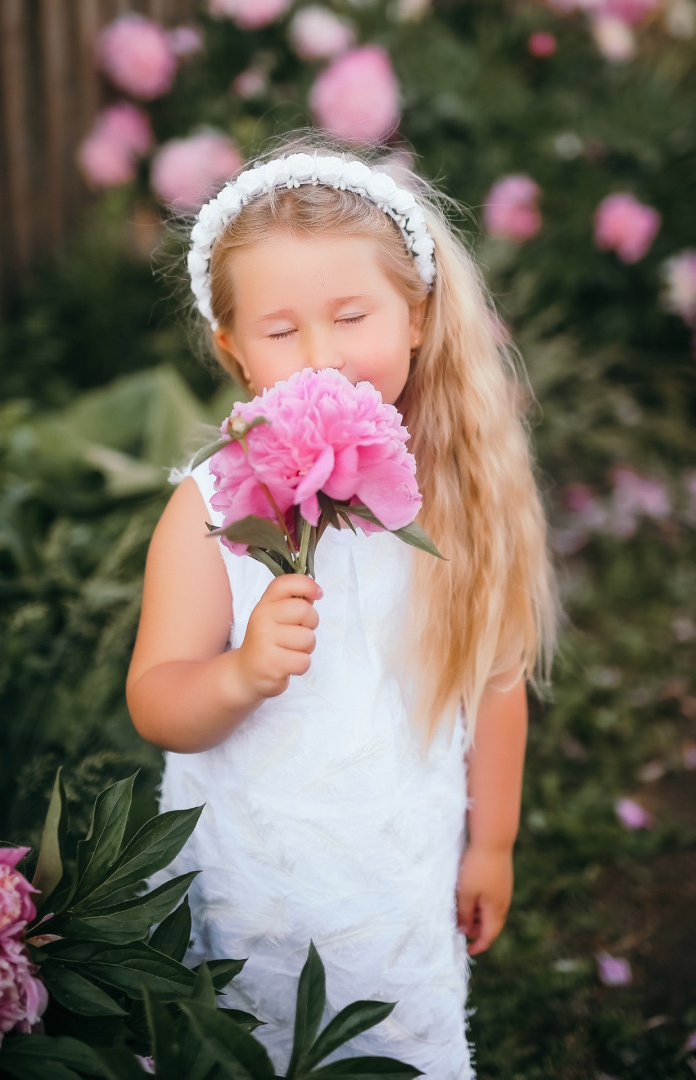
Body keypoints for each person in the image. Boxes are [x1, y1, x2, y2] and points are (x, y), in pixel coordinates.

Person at [126, 134, 558, 1079]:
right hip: (251, 881)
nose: (322, 356)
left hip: (392, 879)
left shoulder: (460, 503)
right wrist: (238, 674)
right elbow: (158, 697)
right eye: (281, 332)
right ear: (234, 352)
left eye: (351, 315)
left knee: (386, 1048)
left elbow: (496, 684)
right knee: (245, 1044)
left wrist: (492, 841)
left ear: (415, 316)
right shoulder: (210, 510)